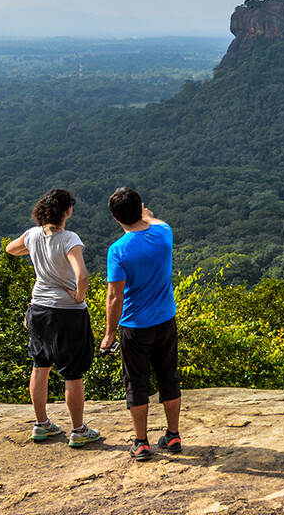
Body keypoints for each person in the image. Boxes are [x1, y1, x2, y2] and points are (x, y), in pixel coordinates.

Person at [6, 188, 102, 448]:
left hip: (38, 310)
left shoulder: (32, 235)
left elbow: (10, 249)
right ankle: (78, 430)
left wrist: (38, 251)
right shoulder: (69, 238)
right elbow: (82, 276)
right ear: (67, 211)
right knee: (72, 372)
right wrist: (79, 297)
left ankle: (41, 424)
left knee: (40, 364)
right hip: (66, 314)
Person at [101, 187, 182, 462]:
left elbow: (114, 296)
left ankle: (141, 442)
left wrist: (109, 334)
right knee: (168, 377)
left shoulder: (118, 251)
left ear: (115, 218)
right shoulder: (164, 234)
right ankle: (173, 435)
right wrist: (149, 216)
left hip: (134, 326)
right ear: (142, 208)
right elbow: (158, 222)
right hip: (165, 320)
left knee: (137, 383)